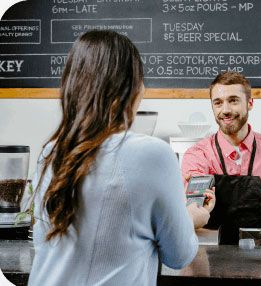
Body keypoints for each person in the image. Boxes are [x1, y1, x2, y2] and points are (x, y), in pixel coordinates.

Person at [28, 30, 213, 286]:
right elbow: (179, 256)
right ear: (132, 89)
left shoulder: (51, 152)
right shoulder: (152, 154)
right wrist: (193, 217)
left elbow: (42, 242)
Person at [182, 71, 261, 245]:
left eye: (233, 100)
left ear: (250, 103)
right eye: (218, 103)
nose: (225, 110)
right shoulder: (198, 155)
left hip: (260, 254)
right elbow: (193, 208)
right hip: (210, 256)